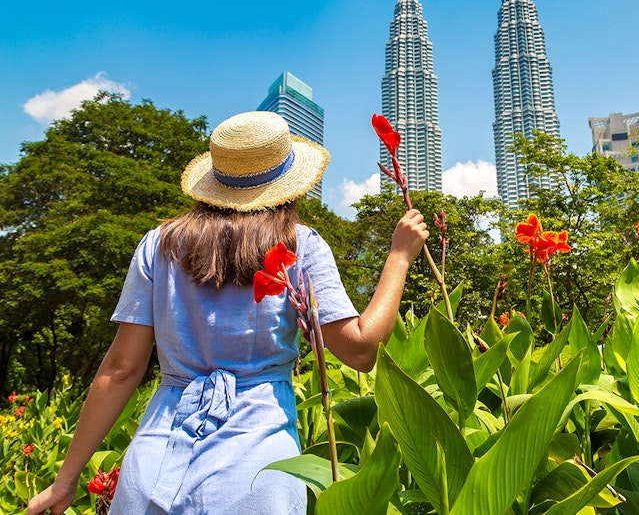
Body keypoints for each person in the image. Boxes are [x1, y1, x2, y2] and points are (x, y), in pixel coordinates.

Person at [27, 111, 429, 514]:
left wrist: (66, 482)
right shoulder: (299, 245)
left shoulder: (158, 245)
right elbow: (360, 350)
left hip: (153, 466)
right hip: (256, 470)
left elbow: (120, 370)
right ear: (288, 183)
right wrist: (398, 258)